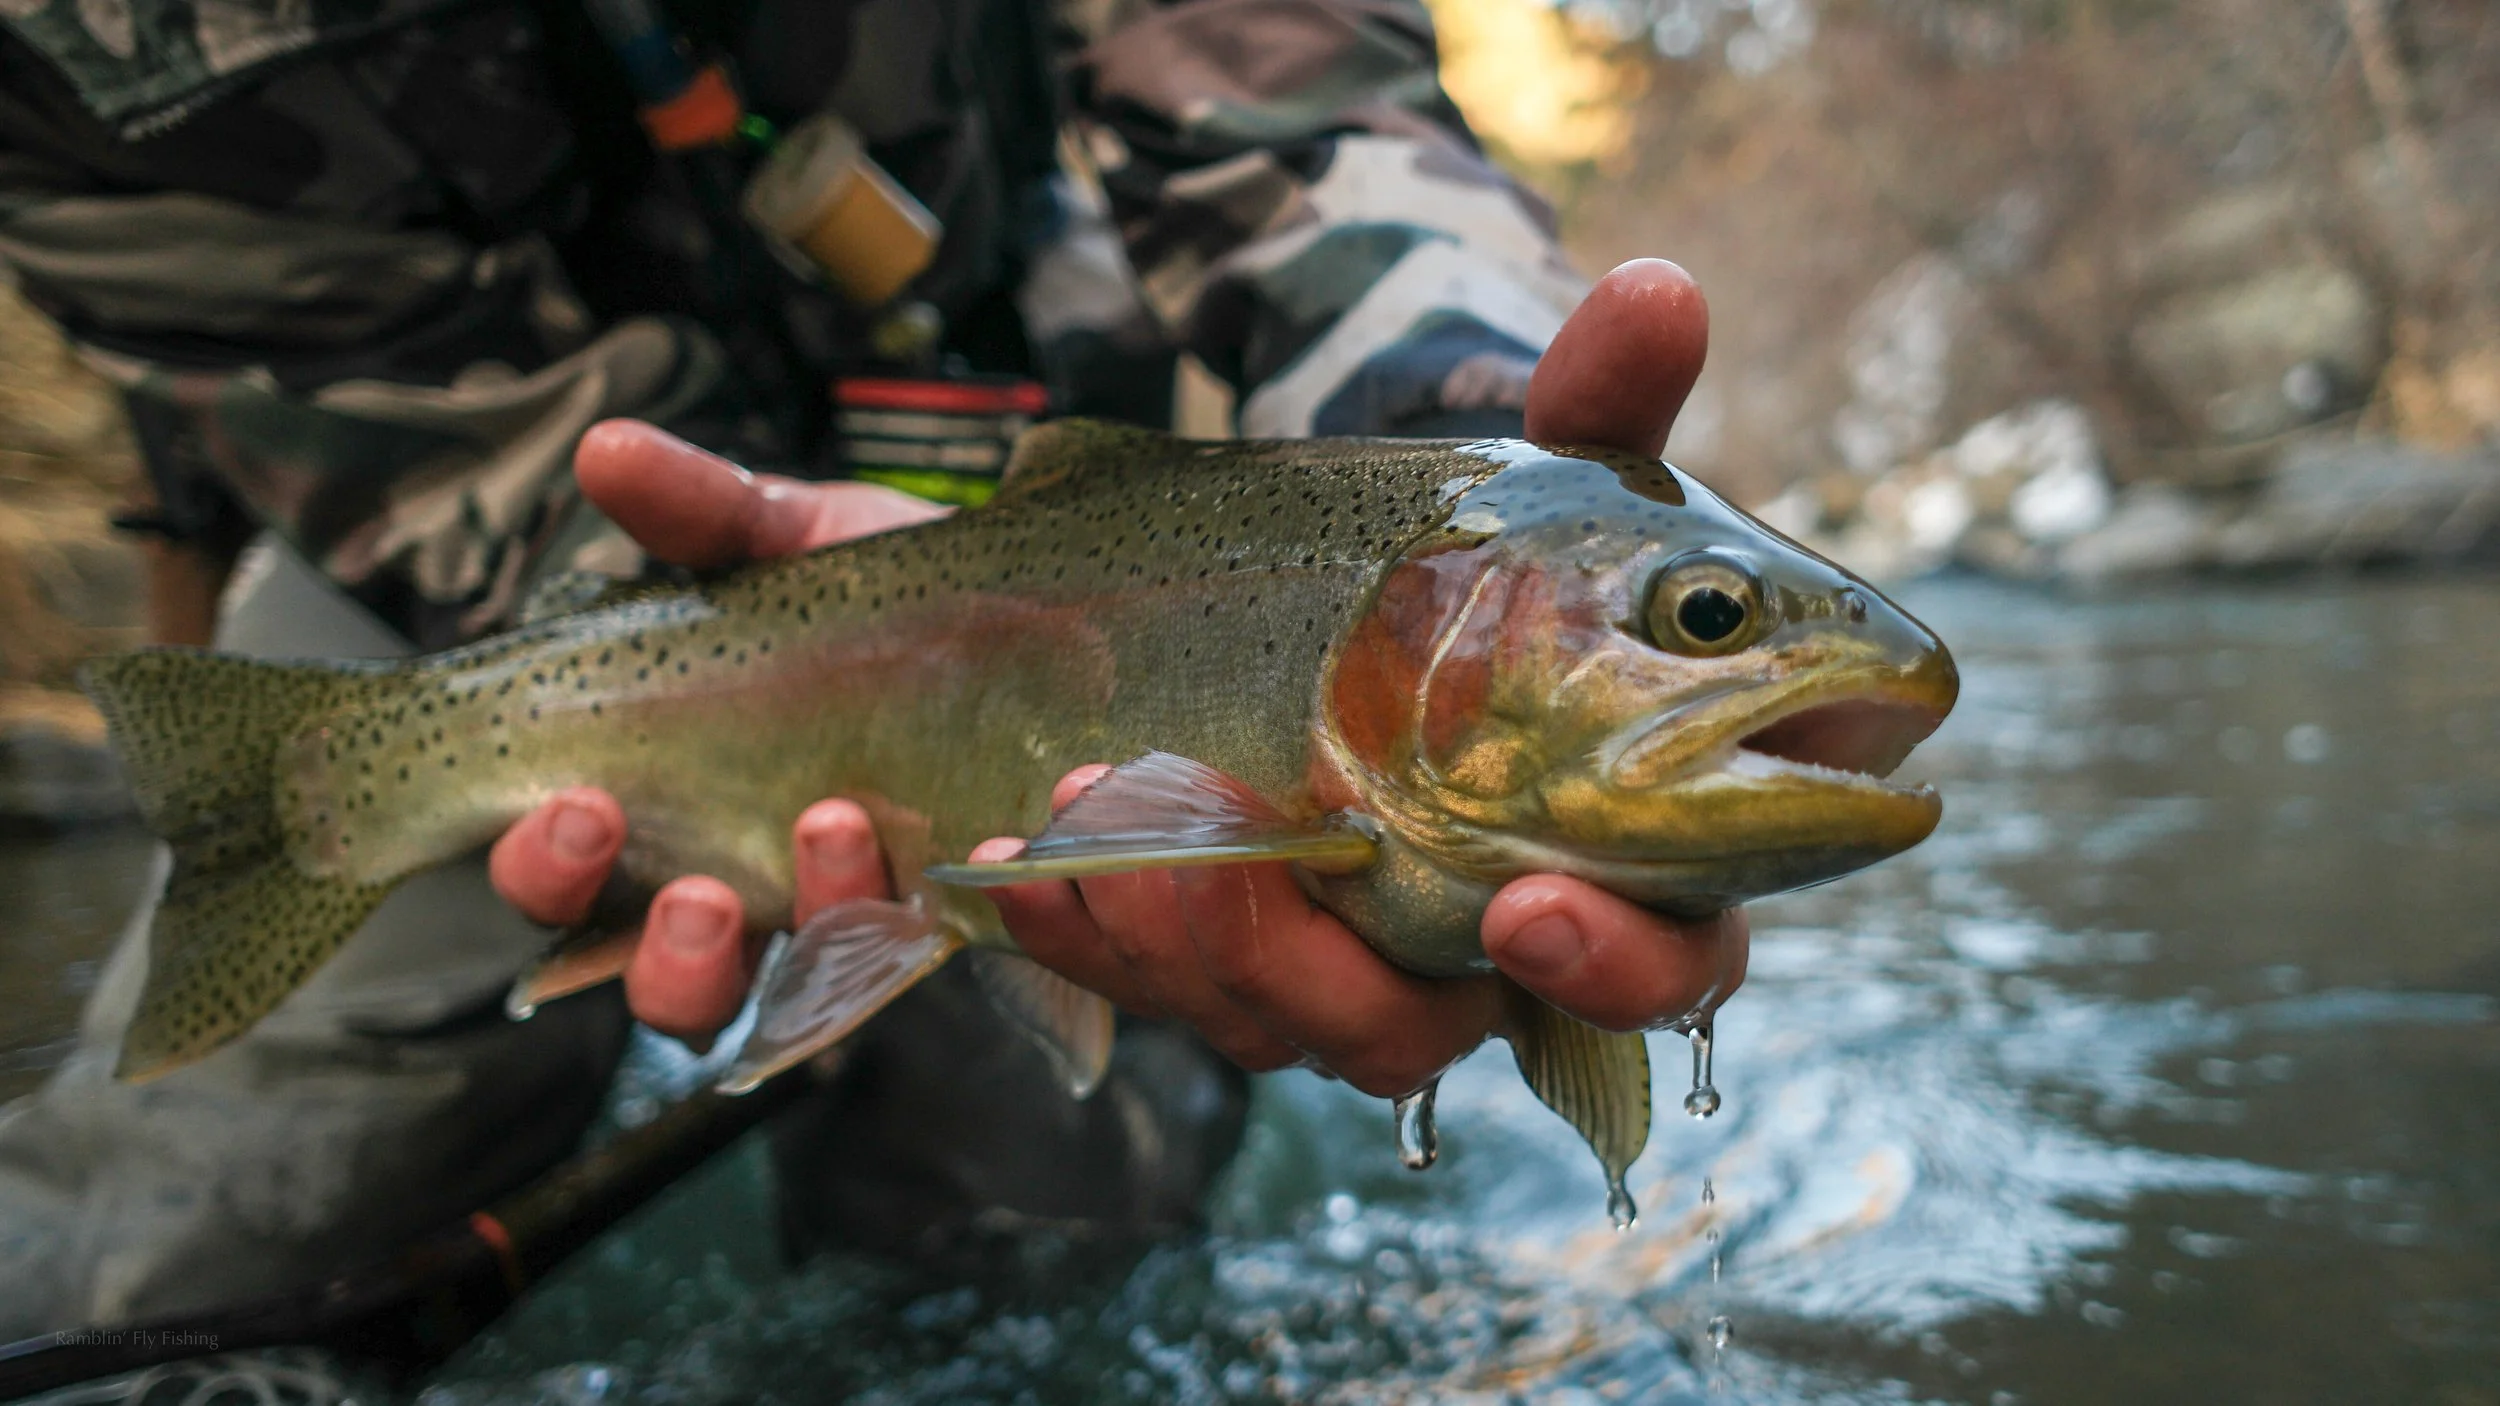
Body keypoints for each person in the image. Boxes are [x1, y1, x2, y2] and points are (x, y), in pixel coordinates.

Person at [0, 0, 1744, 1351]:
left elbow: (1286, 73)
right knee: (166, 1261)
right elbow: (315, 343)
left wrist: (1482, 456)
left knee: (1047, 1229)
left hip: (1040, 452)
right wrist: (669, 626)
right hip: (462, 509)